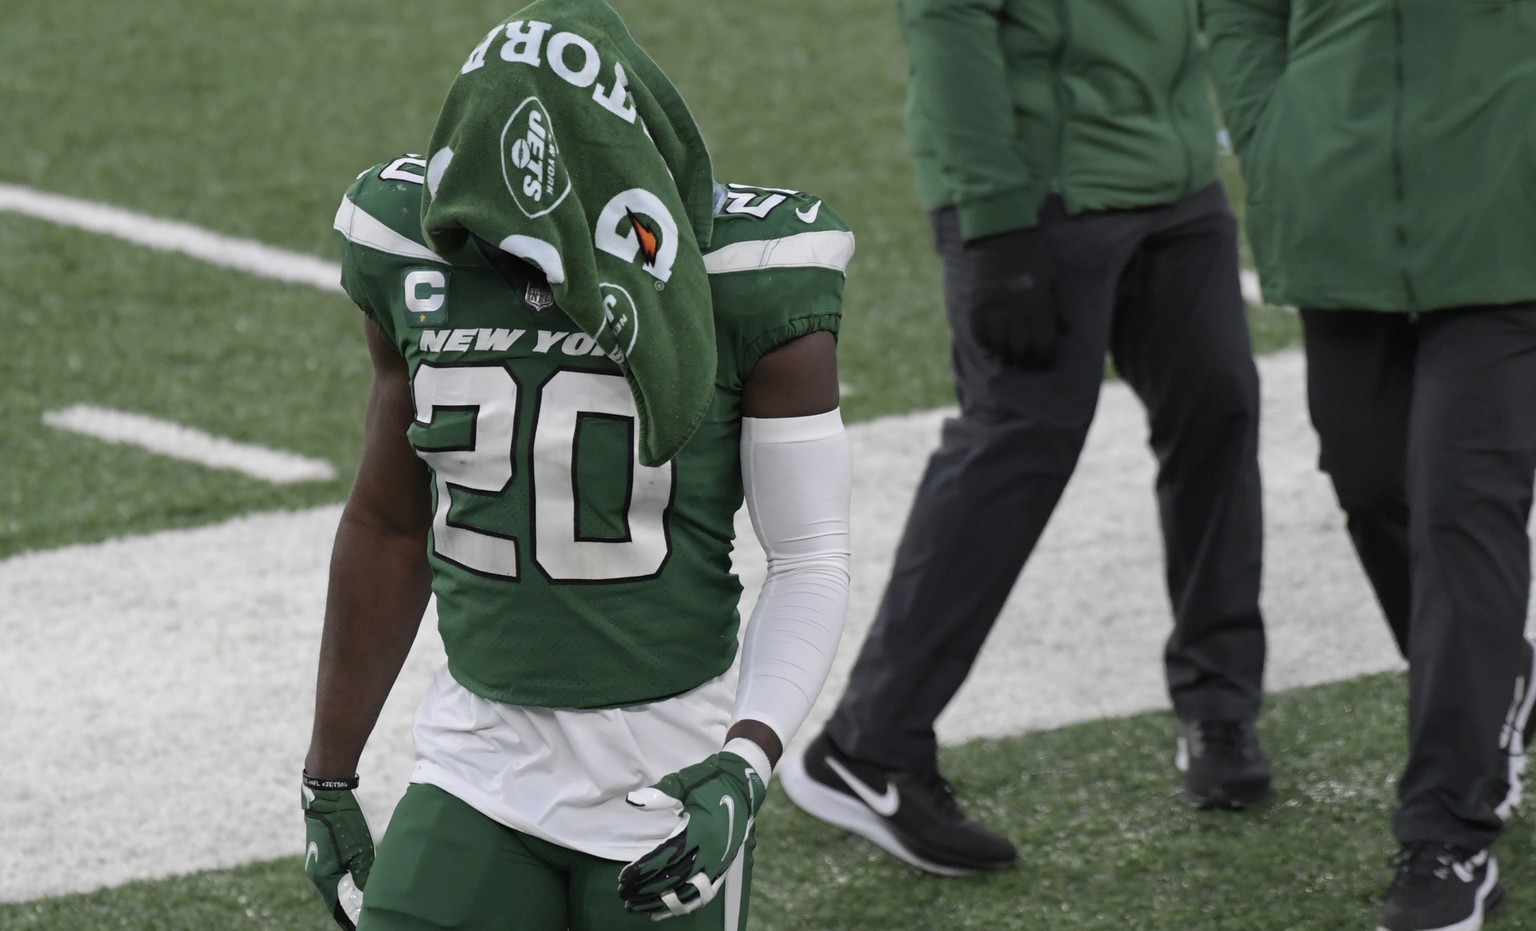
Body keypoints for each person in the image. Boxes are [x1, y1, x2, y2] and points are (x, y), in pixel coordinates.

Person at [298, 3, 856, 928]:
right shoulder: (413, 248)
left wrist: (746, 762)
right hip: (479, 757)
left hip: (667, 771)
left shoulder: (752, 276)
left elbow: (809, 557)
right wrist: (328, 772)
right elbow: (390, 521)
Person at [778, 0, 1271, 875]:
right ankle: (871, 742)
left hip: (1175, 175)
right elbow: (946, 18)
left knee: (1220, 414)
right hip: (1039, 190)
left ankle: (1219, 702)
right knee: (1016, 447)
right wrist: (997, 220)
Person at [1202, 2, 1536, 929]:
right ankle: (1500, 677)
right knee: (1369, 485)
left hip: (1509, 225)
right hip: (1338, 208)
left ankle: (1450, 833)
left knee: (1462, 513)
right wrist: (1276, 136)